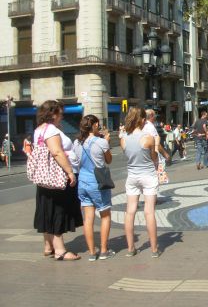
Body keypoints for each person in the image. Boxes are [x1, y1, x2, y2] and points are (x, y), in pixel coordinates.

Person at [33, 100, 83, 261]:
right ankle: (60, 250)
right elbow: (56, 152)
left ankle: (48, 246)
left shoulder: (39, 130)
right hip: (57, 177)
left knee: (46, 209)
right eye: (60, 114)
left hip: (44, 178)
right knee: (58, 210)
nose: (62, 116)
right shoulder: (51, 130)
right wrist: (70, 172)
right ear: (53, 114)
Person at [73, 115, 114, 261]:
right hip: (98, 182)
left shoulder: (77, 142)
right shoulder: (101, 142)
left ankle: (91, 252)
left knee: (88, 219)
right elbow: (108, 160)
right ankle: (103, 250)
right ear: (95, 125)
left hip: (82, 182)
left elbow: (76, 161)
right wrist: (107, 142)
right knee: (105, 215)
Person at [120, 107, 160, 258]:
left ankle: (131, 248)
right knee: (149, 211)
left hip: (132, 177)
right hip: (148, 175)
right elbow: (154, 158)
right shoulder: (148, 137)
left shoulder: (124, 138)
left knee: (130, 211)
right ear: (143, 120)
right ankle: (154, 249)